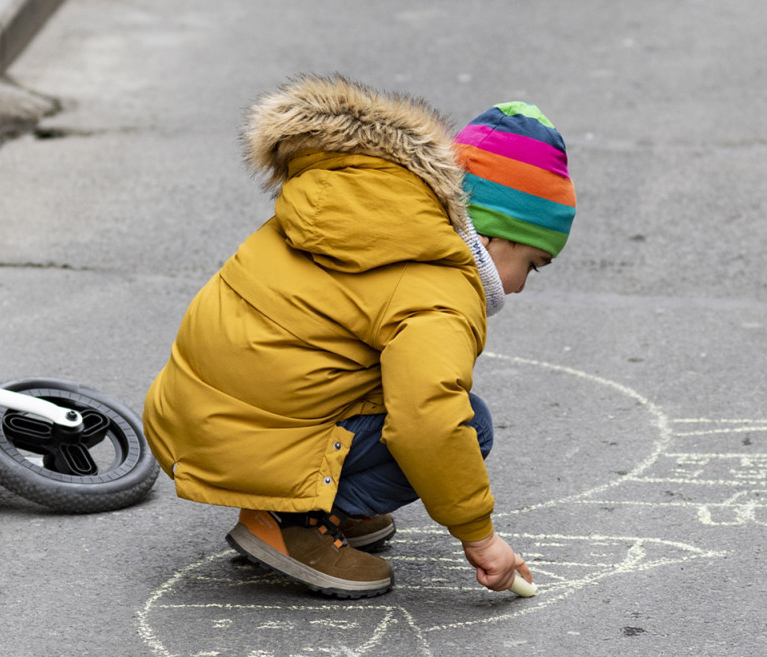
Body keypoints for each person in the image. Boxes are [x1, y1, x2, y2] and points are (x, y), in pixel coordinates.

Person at [143, 74, 576, 599]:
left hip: (189, 421)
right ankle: (293, 520)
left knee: (395, 387)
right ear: (493, 234)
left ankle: (314, 499)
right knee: (469, 422)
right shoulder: (439, 281)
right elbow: (429, 421)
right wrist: (480, 538)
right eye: (532, 264)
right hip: (243, 437)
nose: (522, 287)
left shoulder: (363, 208)